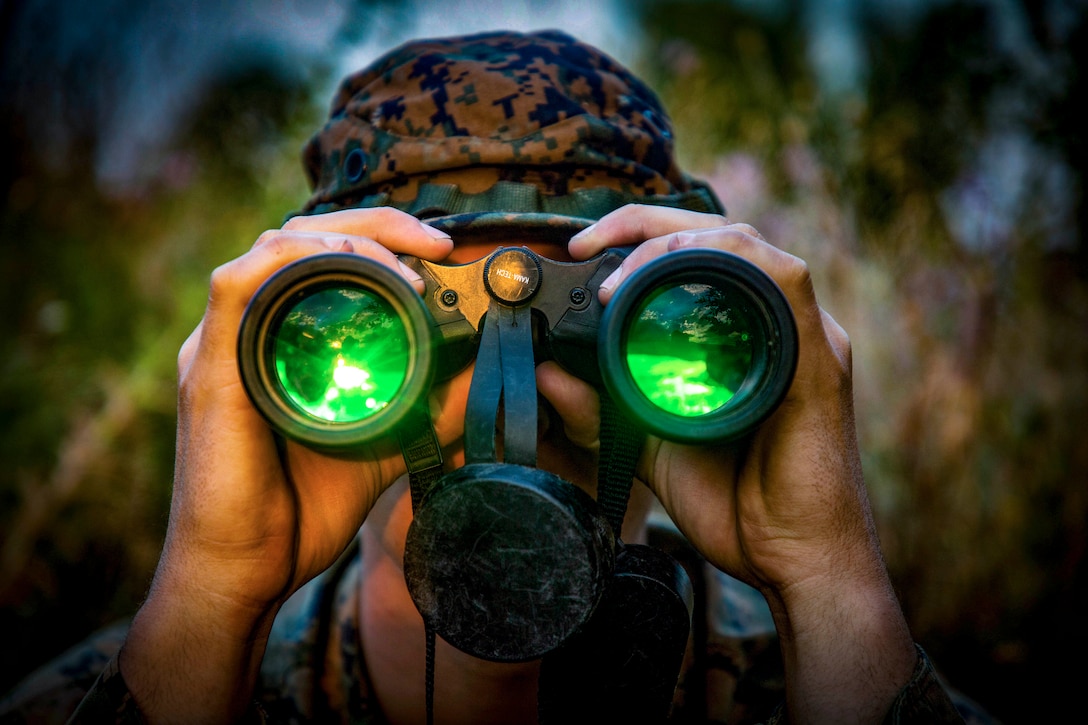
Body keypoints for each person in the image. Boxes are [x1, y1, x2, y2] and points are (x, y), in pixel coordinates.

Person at [0, 29, 992, 725]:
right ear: (270, 354)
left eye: (591, 329)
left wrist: (823, 577)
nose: (504, 397)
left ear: (743, 350)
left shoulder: (826, 676)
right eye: (415, 332)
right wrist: (214, 590)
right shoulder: (150, 682)